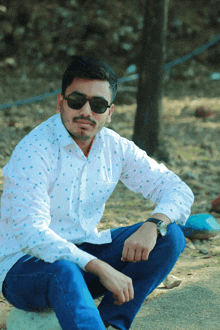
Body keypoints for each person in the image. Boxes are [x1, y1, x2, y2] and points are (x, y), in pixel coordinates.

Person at [0, 56, 194, 330]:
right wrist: (101, 268)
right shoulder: (34, 150)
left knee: (169, 236)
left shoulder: (114, 147)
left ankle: (111, 323)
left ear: (110, 112)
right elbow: (32, 234)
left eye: (98, 105)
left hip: (84, 255)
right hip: (26, 270)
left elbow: (177, 189)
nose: (86, 112)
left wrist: (154, 223)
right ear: (60, 103)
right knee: (64, 271)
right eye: (77, 101)